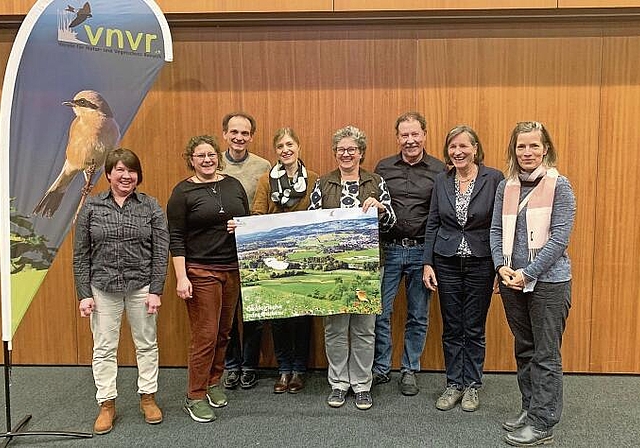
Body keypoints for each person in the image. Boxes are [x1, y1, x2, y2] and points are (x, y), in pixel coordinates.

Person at [490, 121, 575, 446]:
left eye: (533, 146)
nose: (527, 152)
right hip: (511, 281)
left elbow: (559, 240)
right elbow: (496, 231)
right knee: (524, 349)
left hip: (549, 283)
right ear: (514, 150)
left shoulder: (560, 186)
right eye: (521, 146)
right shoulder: (506, 186)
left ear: (546, 149)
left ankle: (543, 423)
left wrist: (528, 273)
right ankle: (529, 408)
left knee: (546, 353)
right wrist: (501, 267)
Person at [73, 148, 169, 435]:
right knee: (104, 348)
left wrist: (156, 289)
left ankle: (148, 398)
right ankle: (106, 404)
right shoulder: (91, 207)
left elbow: (161, 252)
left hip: (141, 286)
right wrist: (84, 294)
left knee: (147, 344)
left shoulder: (150, 206)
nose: (126, 176)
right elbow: (80, 255)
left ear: (138, 175)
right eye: (120, 170)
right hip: (102, 288)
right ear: (109, 175)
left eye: (131, 171)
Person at [308, 125, 396, 410]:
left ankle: (361, 384)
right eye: (341, 150)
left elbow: (391, 223)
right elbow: (310, 225)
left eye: (351, 150)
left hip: (368, 267)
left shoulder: (376, 182)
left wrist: (381, 209)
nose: (346, 154)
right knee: (334, 327)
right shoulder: (322, 184)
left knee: (364, 328)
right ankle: (338, 383)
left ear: (361, 153)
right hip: (332, 269)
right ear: (335, 153)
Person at [167, 135, 249, 423]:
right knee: (205, 335)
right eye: (200, 155)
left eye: (211, 154)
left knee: (224, 332)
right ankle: (195, 394)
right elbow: (175, 238)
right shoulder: (182, 193)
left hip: (232, 269)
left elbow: (247, 220)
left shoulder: (233, 185)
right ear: (191, 159)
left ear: (218, 156)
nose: (206, 159)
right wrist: (181, 277)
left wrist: (240, 225)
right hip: (201, 271)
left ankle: (214, 381)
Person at [422, 125, 503, 412]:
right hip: (446, 261)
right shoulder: (441, 181)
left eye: (463, 146)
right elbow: (433, 222)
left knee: (475, 327)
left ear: (476, 148)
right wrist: (427, 262)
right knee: (452, 326)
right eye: (453, 147)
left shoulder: (493, 178)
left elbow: (500, 224)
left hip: (482, 262)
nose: (458, 152)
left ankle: (472, 386)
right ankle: (454, 383)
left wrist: (499, 265)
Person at [373, 112, 445, 396]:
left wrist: (431, 259)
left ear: (425, 135)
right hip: (388, 250)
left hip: (421, 253)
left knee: (418, 315)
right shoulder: (383, 167)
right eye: (405, 135)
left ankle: (409, 369)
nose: (410, 140)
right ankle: (380, 368)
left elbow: (440, 215)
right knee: (380, 312)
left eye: (415, 134)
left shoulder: (440, 170)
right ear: (397, 137)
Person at [251, 127, 319, 394]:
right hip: (272, 257)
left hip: (303, 257)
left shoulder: (313, 179)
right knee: (278, 316)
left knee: (302, 315)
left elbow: (319, 213)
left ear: (299, 146)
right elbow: (257, 213)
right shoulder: (266, 181)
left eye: (290, 144)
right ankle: (283, 369)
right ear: (275, 151)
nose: (285, 150)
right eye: (280, 146)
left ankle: (299, 370)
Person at [219, 112, 271, 390]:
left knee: (254, 312)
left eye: (245, 133)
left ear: (251, 136)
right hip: (221, 249)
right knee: (227, 313)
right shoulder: (212, 163)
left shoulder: (264, 166)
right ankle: (231, 365)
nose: (239, 137)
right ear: (225, 134)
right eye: (234, 132)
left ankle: (250, 365)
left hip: (254, 249)